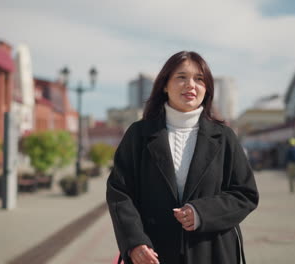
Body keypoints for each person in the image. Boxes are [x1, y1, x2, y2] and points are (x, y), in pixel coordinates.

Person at [106, 51, 259, 264]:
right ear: (165, 85)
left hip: (213, 252)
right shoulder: (139, 134)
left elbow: (245, 194)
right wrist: (134, 242)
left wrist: (201, 213)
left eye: (199, 79)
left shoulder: (224, 137)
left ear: (207, 90)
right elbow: (119, 193)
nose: (191, 85)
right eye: (181, 77)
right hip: (153, 253)